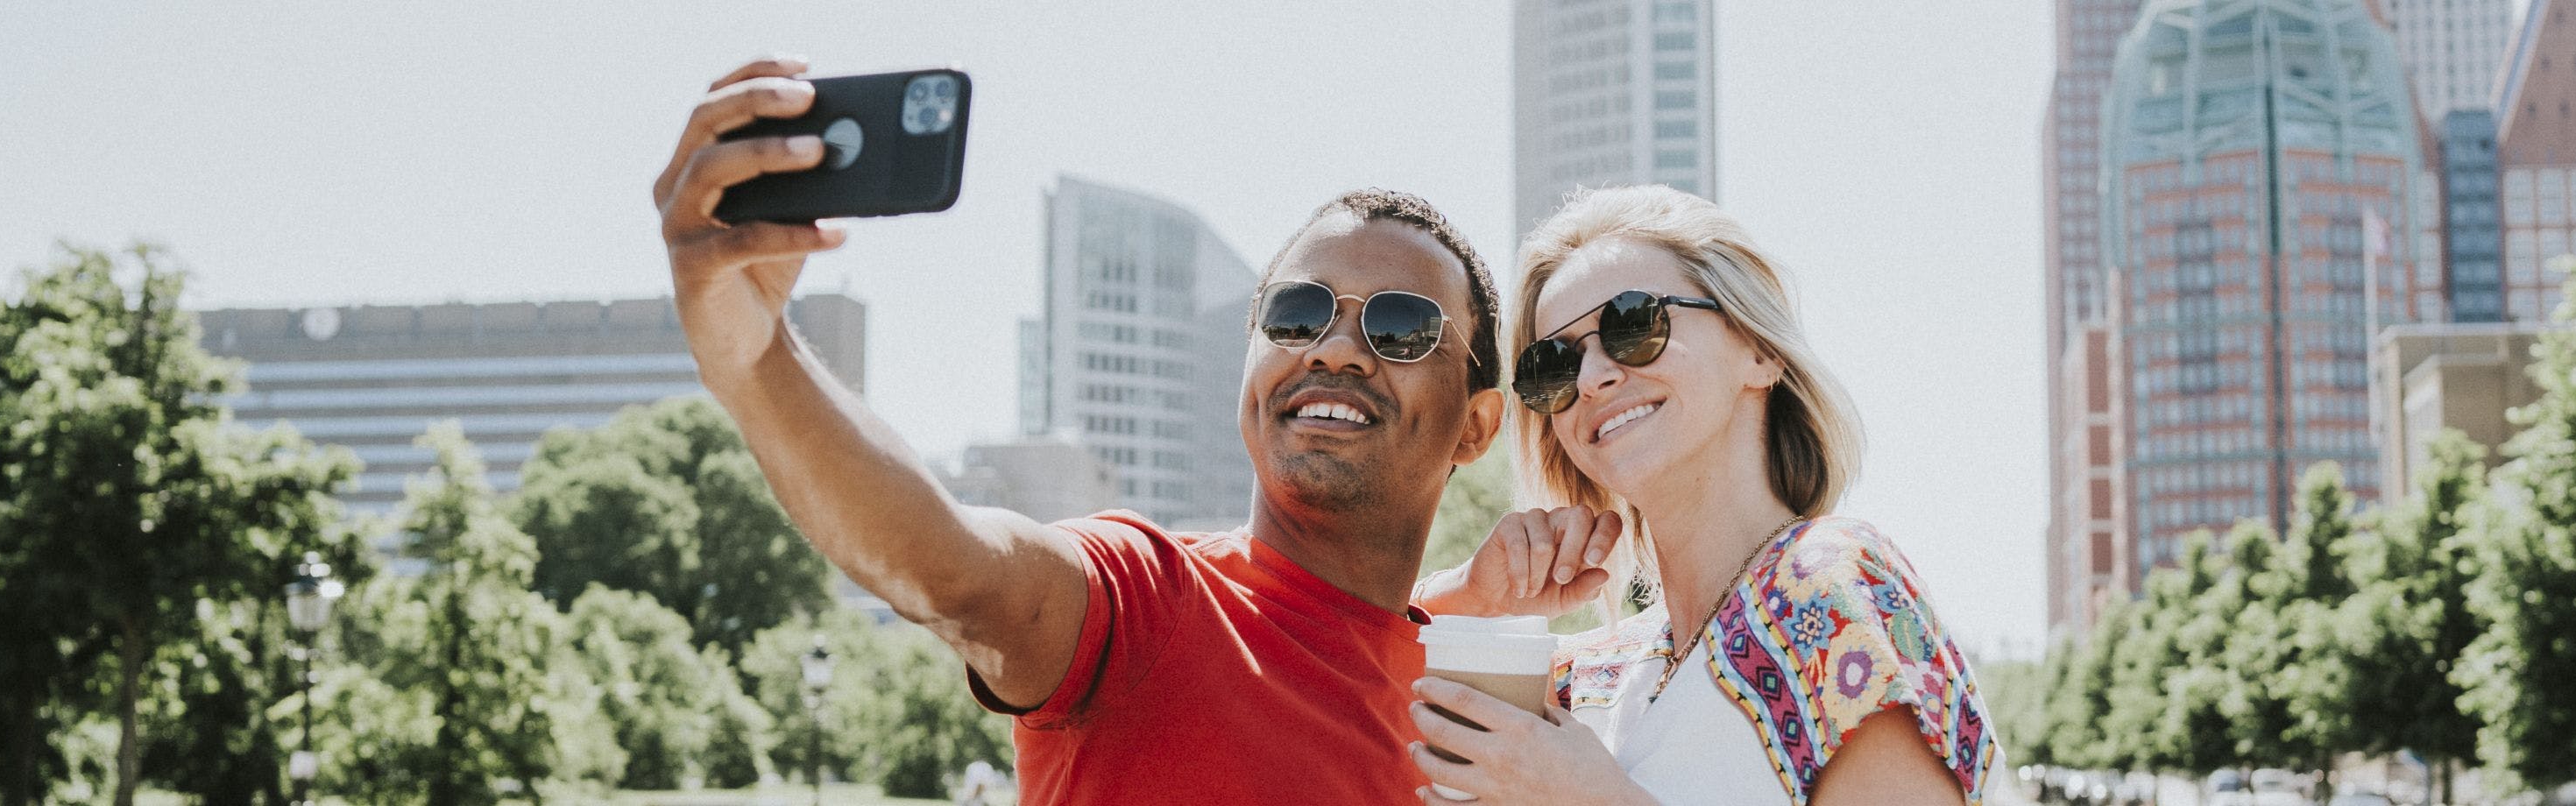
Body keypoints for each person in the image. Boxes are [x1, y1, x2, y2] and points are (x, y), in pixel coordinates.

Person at [652, 57, 1509, 804]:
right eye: (1296, 313)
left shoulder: (1479, 702)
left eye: (1401, 327)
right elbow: (959, 573)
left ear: (1477, 425)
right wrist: (754, 355)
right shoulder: (1148, 598)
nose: (1335, 349)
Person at [1407, 186, 1999, 804]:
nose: (1592, 377)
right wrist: (1466, 598)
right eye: (1554, 364)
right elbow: (1336, 701)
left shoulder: (1830, 589)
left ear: (1759, 349)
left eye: (1633, 324)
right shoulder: (1585, 681)